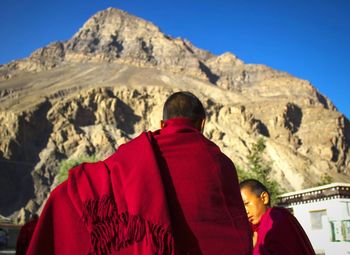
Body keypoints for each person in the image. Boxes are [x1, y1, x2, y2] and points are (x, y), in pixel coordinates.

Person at [27, 91, 252, 254]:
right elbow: (236, 233)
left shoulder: (140, 153)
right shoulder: (221, 165)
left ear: (163, 124)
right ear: (202, 123)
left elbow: (82, 189)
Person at [240, 179, 316, 255]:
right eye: (241, 208)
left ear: (264, 198)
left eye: (247, 204)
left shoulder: (276, 219)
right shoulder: (252, 231)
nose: (245, 211)